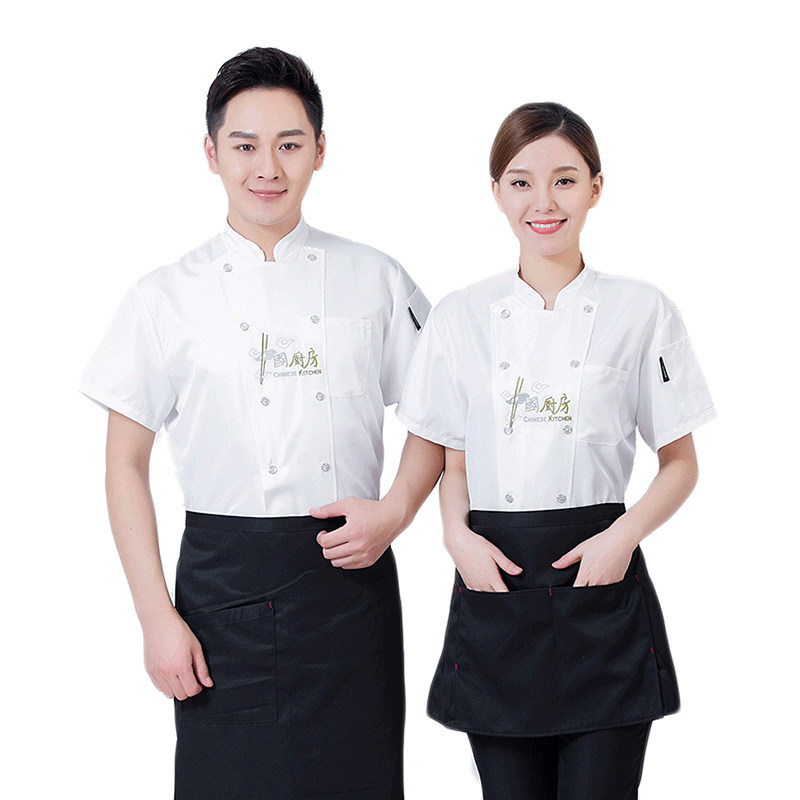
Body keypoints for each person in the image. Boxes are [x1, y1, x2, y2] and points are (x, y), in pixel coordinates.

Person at [79, 47, 442, 800]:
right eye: (245, 146)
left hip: (349, 583)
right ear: (211, 153)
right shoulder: (163, 297)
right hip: (222, 589)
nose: (267, 167)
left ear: (320, 151)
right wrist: (155, 617)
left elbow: (442, 413)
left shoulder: (376, 278)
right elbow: (123, 465)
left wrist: (397, 510)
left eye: (289, 144)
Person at [396, 102, 715, 800]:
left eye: (564, 180)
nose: (543, 202)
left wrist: (621, 539)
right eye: (521, 182)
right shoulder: (459, 317)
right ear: (496, 192)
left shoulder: (642, 311)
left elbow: (681, 463)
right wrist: (456, 537)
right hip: (497, 582)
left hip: (599, 585)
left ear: (595, 188)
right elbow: (453, 459)